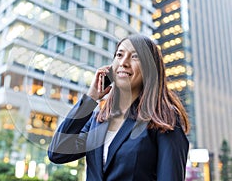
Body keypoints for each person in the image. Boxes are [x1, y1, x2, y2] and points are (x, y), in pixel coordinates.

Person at [48, 34, 190, 180]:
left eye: (135, 57)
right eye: (119, 55)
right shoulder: (99, 120)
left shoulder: (164, 118)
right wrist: (91, 98)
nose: (124, 62)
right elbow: (57, 152)